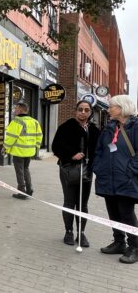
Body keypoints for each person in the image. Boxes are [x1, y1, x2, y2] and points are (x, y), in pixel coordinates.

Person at [93, 95, 138, 264]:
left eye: (112, 106)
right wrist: (98, 167)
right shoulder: (109, 128)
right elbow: (100, 150)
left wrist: (130, 171)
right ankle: (119, 242)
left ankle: (134, 246)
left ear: (122, 108)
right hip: (107, 179)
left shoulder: (136, 127)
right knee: (113, 213)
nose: (108, 109)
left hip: (126, 179)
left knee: (127, 214)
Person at [52, 100, 100, 247]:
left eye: (86, 110)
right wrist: (71, 155)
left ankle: (81, 233)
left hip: (87, 170)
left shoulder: (94, 130)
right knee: (69, 201)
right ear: (75, 111)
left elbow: (98, 150)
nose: (83, 112)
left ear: (90, 112)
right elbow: (56, 147)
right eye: (80, 109)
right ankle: (69, 232)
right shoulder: (65, 127)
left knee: (83, 204)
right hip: (68, 169)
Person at [3, 102, 43, 199]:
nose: (14, 110)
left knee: (19, 171)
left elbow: (11, 137)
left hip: (18, 151)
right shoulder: (34, 122)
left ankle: (22, 192)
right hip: (29, 151)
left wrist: (5, 147)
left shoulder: (16, 122)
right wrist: (36, 147)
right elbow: (39, 136)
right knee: (26, 169)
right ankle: (29, 189)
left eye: (16, 109)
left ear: (20, 110)